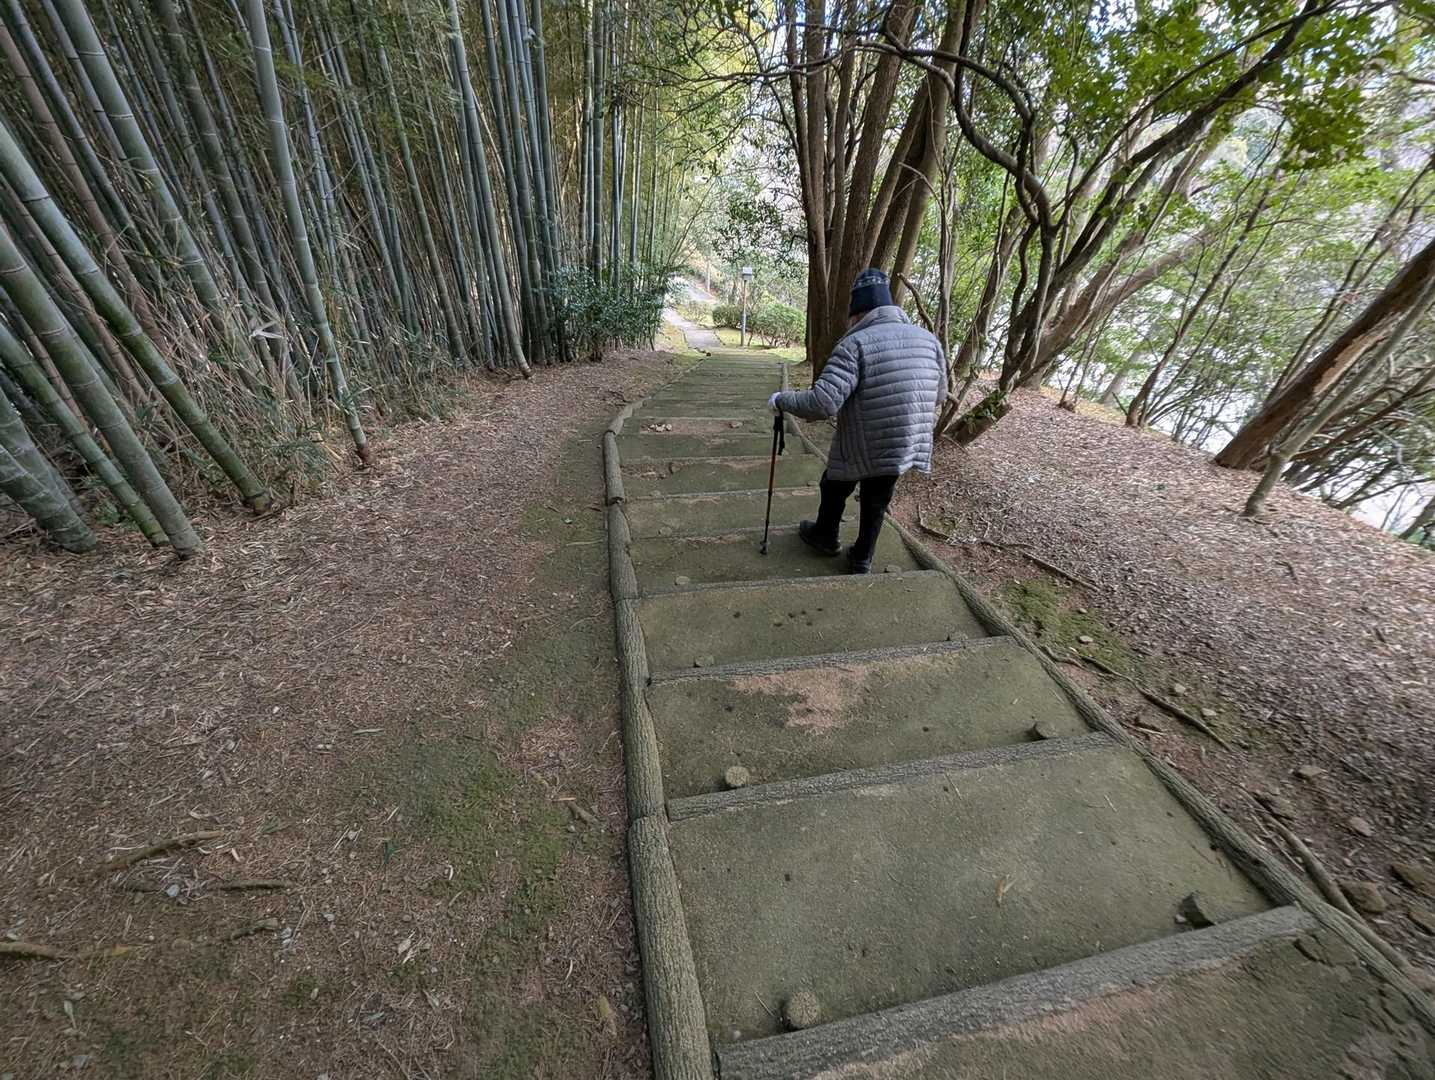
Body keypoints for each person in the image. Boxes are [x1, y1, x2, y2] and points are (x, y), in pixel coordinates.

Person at [767, 268, 946, 573]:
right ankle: (862, 557)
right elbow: (939, 395)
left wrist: (781, 399)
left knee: (834, 485)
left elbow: (823, 403)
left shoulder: (855, 344)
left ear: (858, 313)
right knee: (877, 497)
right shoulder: (929, 341)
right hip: (905, 441)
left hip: (863, 439)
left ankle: (825, 536)